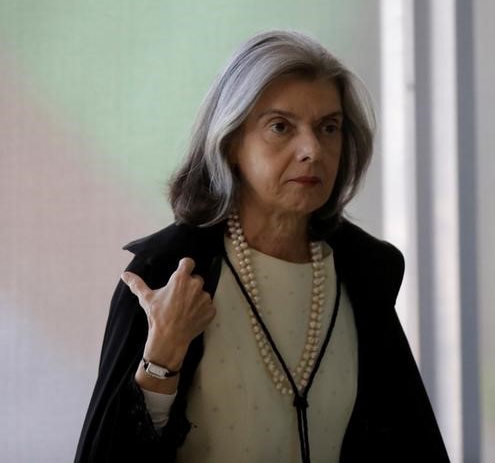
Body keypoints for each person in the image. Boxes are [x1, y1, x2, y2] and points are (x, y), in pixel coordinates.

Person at [75, 30, 448, 463]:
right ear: (231, 142)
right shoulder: (166, 273)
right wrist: (163, 353)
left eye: (329, 128)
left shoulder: (365, 271)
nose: (312, 150)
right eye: (280, 127)